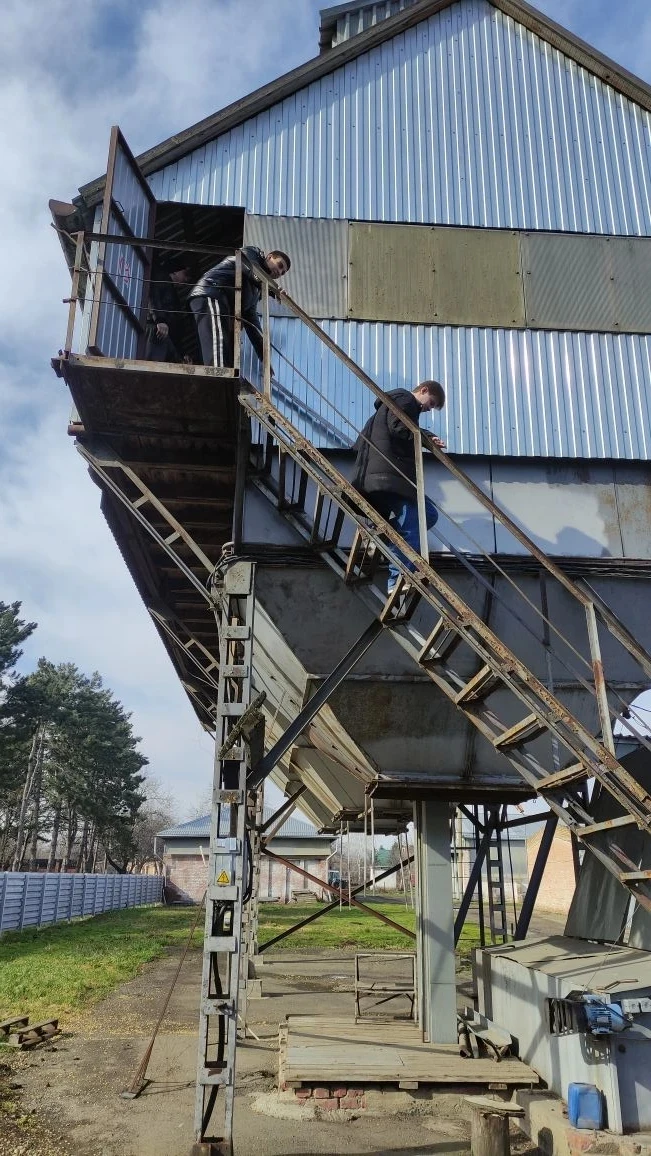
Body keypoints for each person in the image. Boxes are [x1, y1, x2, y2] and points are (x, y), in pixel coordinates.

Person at [352, 380, 446, 594]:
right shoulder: (404, 398)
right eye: (430, 403)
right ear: (423, 390)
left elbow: (403, 426)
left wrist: (428, 436)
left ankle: (377, 536)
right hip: (388, 476)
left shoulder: (398, 404)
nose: (428, 409)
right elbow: (399, 427)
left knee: (428, 514)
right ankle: (398, 578)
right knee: (414, 518)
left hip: (387, 476)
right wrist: (424, 439)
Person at [188, 246, 290, 370]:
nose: (279, 272)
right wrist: (273, 291)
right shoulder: (252, 253)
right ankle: (219, 377)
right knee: (218, 344)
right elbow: (252, 269)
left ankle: (218, 376)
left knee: (219, 345)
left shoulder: (256, 291)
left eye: (283, 272)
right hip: (212, 292)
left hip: (219, 302)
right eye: (280, 265)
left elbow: (252, 322)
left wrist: (264, 357)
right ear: (269, 257)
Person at [144, 255, 192, 362]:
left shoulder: (172, 290)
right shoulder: (162, 278)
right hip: (157, 331)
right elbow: (153, 296)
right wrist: (160, 320)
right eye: (185, 274)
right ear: (174, 272)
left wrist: (182, 353)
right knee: (152, 365)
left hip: (165, 335)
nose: (186, 279)